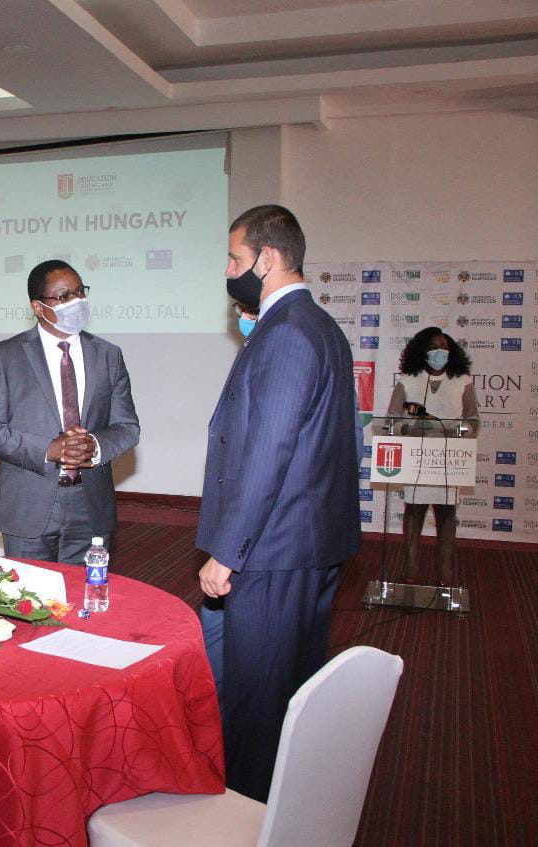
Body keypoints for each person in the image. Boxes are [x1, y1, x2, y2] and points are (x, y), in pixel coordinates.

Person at [197, 205, 361, 801]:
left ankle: (249, 813)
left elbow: (269, 452)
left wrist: (228, 552)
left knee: (259, 701)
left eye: (235, 258)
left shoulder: (288, 332)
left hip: (274, 548)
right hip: (305, 542)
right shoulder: (318, 324)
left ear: (266, 259)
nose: (229, 270)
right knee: (281, 681)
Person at [0, 260, 139, 564]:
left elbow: (127, 427)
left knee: (85, 592)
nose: (76, 301)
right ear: (38, 307)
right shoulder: (6, 355)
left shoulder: (108, 355)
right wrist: (50, 450)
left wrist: (94, 446)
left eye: (80, 291)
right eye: (64, 297)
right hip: (28, 504)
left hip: (90, 505)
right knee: (30, 591)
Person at [386, 326, 478, 585]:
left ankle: (445, 576)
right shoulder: (408, 380)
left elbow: (473, 421)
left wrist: (457, 430)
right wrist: (408, 427)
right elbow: (391, 420)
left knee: (446, 516)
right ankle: (409, 572)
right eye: (433, 348)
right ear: (421, 352)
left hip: (448, 460)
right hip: (417, 459)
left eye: (444, 347)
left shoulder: (462, 381)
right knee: (413, 514)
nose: (440, 352)